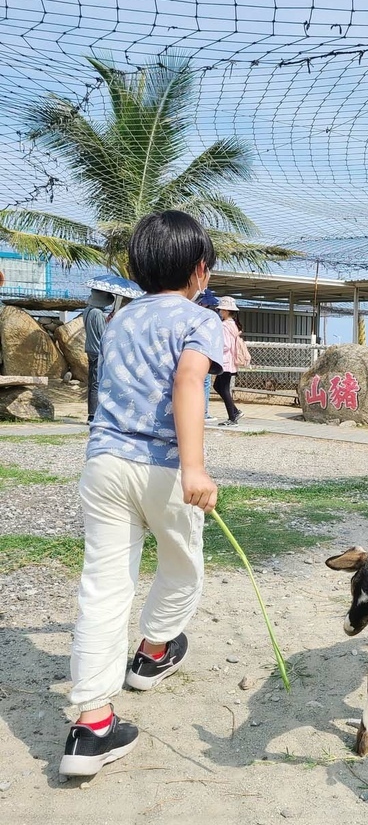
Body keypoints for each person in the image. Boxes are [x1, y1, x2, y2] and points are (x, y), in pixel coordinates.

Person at [59, 211, 224, 777]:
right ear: (200, 270)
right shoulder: (201, 320)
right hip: (164, 469)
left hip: (103, 464)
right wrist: (195, 468)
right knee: (182, 567)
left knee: (104, 586)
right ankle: (153, 654)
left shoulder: (122, 318)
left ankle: (92, 725)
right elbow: (187, 383)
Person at [82, 289, 114, 422]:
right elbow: (103, 334)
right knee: (97, 382)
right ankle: (93, 415)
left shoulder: (87, 311)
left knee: (92, 382)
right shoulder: (98, 313)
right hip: (97, 351)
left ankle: (92, 413)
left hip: (89, 349)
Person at [213, 296, 244, 426]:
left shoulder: (224, 325)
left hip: (225, 361)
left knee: (223, 388)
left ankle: (232, 417)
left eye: (221, 310)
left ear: (226, 310)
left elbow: (225, 345)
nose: (220, 312)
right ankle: (235, 412)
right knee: (218, 386)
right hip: (230, 361)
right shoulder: (234, 325)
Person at [196, 287, 220, 424]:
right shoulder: (206, 316)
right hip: (203, 353)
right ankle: (202, 412)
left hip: (201, 352)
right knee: (203, 382)